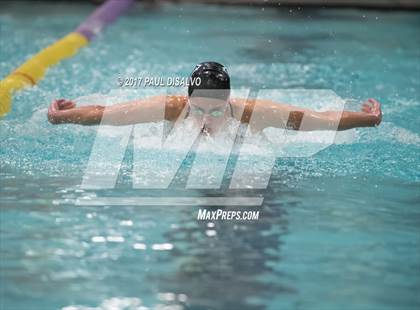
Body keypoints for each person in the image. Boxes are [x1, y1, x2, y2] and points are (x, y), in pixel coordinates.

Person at [47, 61, 382, 135]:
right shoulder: (171, 107)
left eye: (216, 109)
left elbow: (317, 121)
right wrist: (60, 116)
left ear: (230, 100)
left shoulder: (251, 113)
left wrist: (369, 119)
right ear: (187, 98)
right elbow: (107, 114)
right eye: (200, 108)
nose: (207, 117)